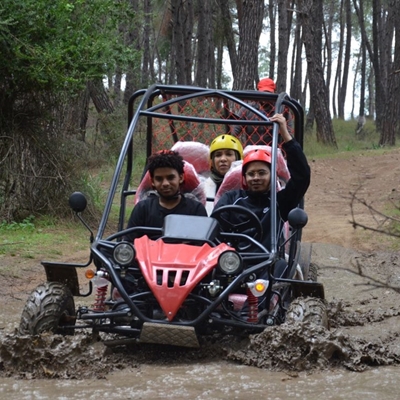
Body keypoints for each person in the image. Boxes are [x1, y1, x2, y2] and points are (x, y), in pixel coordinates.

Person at [213, 113, 310, 255]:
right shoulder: (231, 198)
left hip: (268, 266)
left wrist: (286, 136)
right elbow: (214, 228)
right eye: (251, 174)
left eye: (262, 173)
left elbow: (302, 177)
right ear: (244, 178)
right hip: (231, 263)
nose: (256, 177)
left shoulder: (280, 202)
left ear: (272, 175)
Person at [125, 150, 207, 241]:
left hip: (186, 254)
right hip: (149, 254)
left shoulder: (196, 209)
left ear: (180, 178)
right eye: (159, 179)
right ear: (152, 181)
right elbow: (128, 243)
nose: (165, 183)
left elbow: (203, 246)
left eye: (170, 177)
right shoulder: (143, 208)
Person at [204, 134, 243, 215]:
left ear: (238, 158)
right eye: (218, 155)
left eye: (229, 154)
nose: (223, 159)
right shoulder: (203, 186)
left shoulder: (249, 184)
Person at [234, 77, 277, 146]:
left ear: (274, 92)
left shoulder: (281, 110)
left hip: (274, 150)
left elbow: (289, 135)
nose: (265, 96)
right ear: (258, 91)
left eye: (268, 93)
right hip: (252, 150)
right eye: (263, 93)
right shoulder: (247, 109)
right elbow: (235, 132)